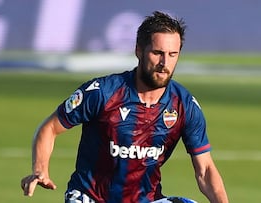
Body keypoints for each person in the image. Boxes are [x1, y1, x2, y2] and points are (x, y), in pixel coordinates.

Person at [21, 11, 229, 203]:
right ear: (139, 50)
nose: (164, 63)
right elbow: (49, 128)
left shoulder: (184, 105)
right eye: (157, 53)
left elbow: (205, 170)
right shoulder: (102, 92)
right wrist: (40, 170)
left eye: (172, 54)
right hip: (90, 198)